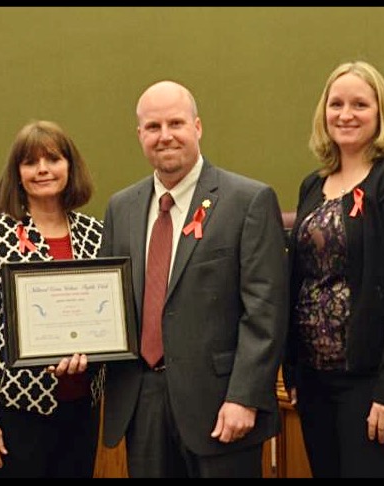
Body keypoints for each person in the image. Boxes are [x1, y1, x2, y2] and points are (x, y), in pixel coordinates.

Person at [99, 80, 289, 478]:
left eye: (176, 123)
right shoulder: (121, 208)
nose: (165, 136)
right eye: (153, 127)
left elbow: (265, 312)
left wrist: (244, 397)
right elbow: (109, 307)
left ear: (197, 127)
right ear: (140, 135)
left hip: (221, 405)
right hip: (142, 403)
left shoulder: (247, 201)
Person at [282, 61, 384, 478]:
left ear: (380, 113)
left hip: (373, 385)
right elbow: (301, 280)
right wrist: (292, 369)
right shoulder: (313, 185)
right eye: (336, 104)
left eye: (359, 105)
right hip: (315, 382)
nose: (345, 114)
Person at [0, 120, 106, 478]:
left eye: (53, 159)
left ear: (70, 166)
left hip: (80, 412)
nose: (42, 170)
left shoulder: (96, 234)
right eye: (30, 162)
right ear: (17, 173)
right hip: (10, 412)